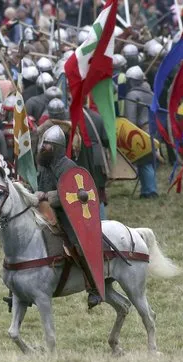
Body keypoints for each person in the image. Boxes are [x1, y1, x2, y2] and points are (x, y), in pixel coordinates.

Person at [35, 126, 103, 308]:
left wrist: (47, 196)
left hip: (69, 217)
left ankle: (94, 287)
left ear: (57, 147)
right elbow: (40, 186)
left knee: (79, 247)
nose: (44, 148)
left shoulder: (68, 167)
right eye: (44, 144)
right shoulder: (44, 165)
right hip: (46, 214)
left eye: (48, 145)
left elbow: (71, 194)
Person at [124, 66, 158, 198]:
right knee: (149, 161)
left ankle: (150, 190)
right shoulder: (151, 93)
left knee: (144, 162)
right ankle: (146, 189)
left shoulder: (132, 95)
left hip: (140, 131)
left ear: (131, 81)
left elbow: (130, 119)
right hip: (153, 129)